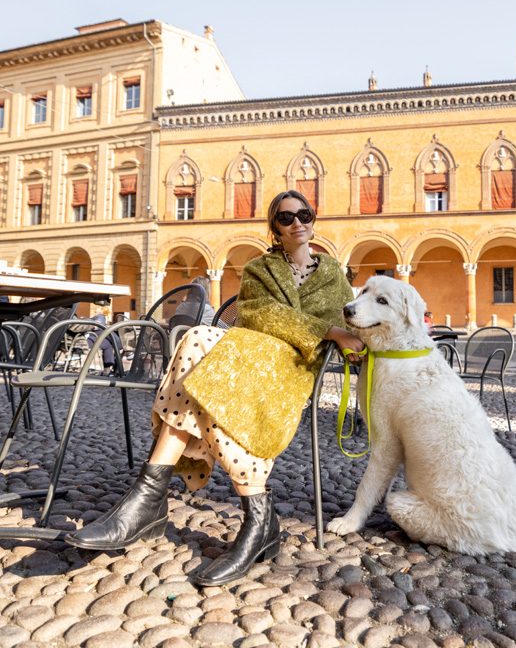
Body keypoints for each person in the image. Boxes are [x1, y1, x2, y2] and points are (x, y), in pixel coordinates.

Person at [66, 190, 364, 587]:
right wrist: (326, 329)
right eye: (286, 218)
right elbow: (258, 313)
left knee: (201, 356)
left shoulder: (334, 277)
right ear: (274, 228)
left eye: (304, 214)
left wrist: (350, 341)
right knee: (197, 344)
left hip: (291, 369)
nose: (297, 223)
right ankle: (256, 519)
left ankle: (148, 500)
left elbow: (352, 327)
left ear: (314, 218)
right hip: (247, 356)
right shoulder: (260, 267)